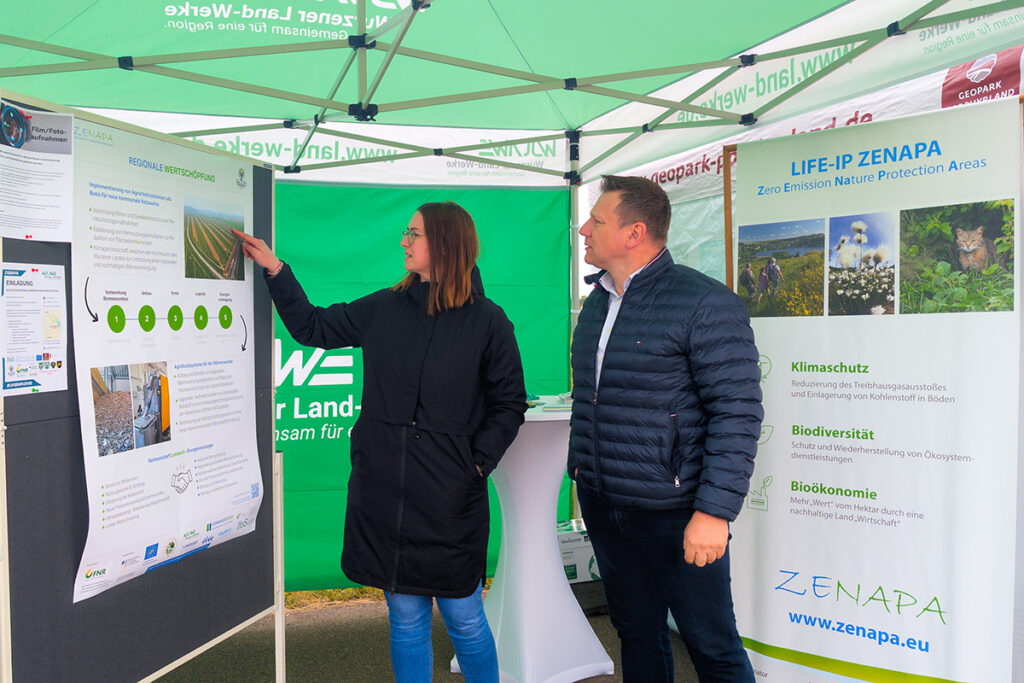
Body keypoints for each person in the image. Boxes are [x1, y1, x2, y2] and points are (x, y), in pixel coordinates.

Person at [232, 202, 526, 683]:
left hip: (449, 501)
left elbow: (509, 402)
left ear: (446, 245)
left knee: (465, 619)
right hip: (384, 495)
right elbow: (313, 327)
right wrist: (276, 271)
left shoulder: (489, 322)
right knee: (406, 618)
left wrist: (475, 464)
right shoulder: (385, 307)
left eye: (414, 234)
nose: (404, 242)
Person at [570, 175, 763, 682]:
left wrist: (713, 513)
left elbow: (737, 412)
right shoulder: (597, 304)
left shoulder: (704, 303)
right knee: (636, 633)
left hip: (676, 512)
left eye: (598, 220)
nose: (584, 229)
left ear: (634, 233)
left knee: (712, 646)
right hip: (607, 503)